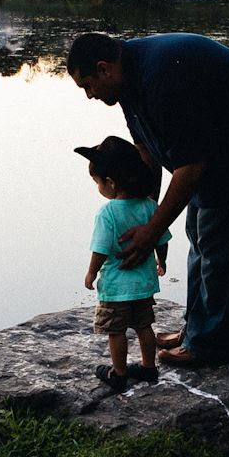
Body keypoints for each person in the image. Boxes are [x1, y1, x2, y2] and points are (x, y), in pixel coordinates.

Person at [67, 32, 229, 367]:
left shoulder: (161, 77)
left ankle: (211, 345)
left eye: (87, 85)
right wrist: (144, 212)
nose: (89, 95)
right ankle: (197, 329)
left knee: (221, 236)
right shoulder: (128, 84)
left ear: (103, 69)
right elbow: (146, 154)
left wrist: (152, 231)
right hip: (219, 145)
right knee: (197, 232)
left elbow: (190, 168)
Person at [76, 136, 171, 391]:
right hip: (143, 284)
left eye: (97, 182)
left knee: (115, 332)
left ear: (110, 183)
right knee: (144, 326)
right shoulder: (151, 206)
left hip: (116, 288)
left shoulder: (107, 212)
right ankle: (149, 368)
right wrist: (161, 261)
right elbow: (161, 239)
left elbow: (101, 249)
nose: (98, 187)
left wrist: (91, 273)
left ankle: (118, 373)